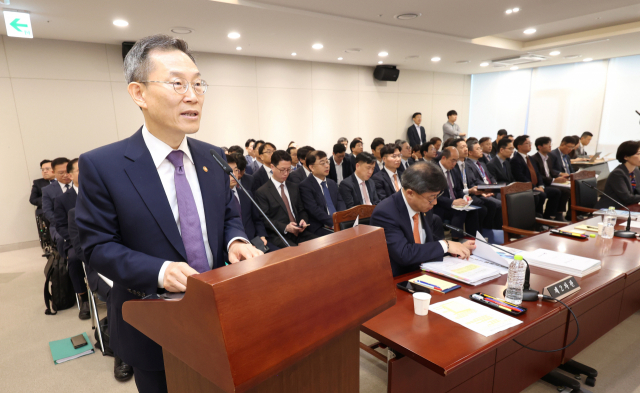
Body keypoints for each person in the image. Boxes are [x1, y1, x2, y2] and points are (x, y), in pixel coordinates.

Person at [75, 35, 262, 393]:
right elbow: (97, 247)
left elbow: (227, 216)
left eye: (198, 84)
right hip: (153, 325)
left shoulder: (212, 156)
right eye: (177, 83)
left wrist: (235, 240)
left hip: (220, 313)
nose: (192, 95)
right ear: (139, 93)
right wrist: (159, 271)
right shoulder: (103, 165)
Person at [371, 162, 476, 277]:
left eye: (437, 196)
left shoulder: (424, 205)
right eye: (431, 198)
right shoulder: (385, 213)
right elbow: (404, 254)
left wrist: (455, 247)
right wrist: (445, 245)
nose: (435, 202)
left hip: (426, 270)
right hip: (401, 278)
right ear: (410, 193)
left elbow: (426, 239)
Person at [254, 150, 318, 247]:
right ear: (272, 167)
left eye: (288, 170)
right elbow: (265, 219)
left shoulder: (294, 187)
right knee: (295, 253)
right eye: (282, 170)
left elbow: (301, 209)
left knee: (319, 245)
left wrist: (303, 220)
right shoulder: (262, 192)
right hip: (280, 234)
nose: (286, 173)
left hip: (299, 231)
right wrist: (286, 227)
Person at [53, 158, 90, 319]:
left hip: (98, 236)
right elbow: (61, 226)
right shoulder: (62, 199)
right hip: (74, 240)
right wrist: (76, 239)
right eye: (79, 170)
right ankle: (83, 298)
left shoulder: (96, 192)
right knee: (74, 259)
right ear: (70, 175)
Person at [226, 154, 274, 251]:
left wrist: (262, 235)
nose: (233, 175)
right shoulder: (217, 199)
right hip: (234, 247)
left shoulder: (246, 194)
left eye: (236, 170)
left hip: (254, 241)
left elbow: (257, 219)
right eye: (229, 172)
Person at [510, 136, 562, 220]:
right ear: (519, 146)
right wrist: (534, 187)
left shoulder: (530, 158)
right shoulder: (515, 160)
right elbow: (520, 177)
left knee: (556, 192)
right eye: (527, 143)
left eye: (530, 143)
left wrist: (541, 185)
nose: (530, 145)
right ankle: (537, 218)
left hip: (537, 187)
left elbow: (538, 174)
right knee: (541, 195)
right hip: (526, 187)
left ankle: (547, 217)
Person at [452, 139, 500, 230]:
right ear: (455, 150)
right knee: (483, 208)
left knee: (491, 205)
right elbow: (456, 189)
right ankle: (474, 236)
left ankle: (487, 232)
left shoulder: (466, 164)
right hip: (462, 195)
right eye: (462, 147)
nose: (465, 149)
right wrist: (473, 191)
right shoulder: (454, 166)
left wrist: (483, 190)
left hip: (471, 193)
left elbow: (474, 181)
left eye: (466, 146)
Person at [299, 151, 346, 235]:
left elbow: (340, 201)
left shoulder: (332, 183)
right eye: (322, 163)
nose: (327, 166)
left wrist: (341, 218)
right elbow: (314, 210)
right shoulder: (305, 185)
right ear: (312, 167)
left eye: (327, 162)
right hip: (320, 225)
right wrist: (334, 222)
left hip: (338, 222)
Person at [531, 137, 572, 220]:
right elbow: (538, 175)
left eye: (550, 144)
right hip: (542, 183)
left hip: (549, 182)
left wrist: (560, 176)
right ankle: (549, 216)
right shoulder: (534, 159)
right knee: (557, 191)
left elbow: (551, 172)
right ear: (539, 147)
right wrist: (554, 180)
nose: (550, 146)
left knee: (567, 190)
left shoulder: (548, 158)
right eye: (548, 144)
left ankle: (557, 213)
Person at [466, 139, 502, 229]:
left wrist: (494, 184)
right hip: (482, 190)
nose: (481, 150)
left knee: (507, 199)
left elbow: (490, 176)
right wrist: (490, 188)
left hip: (490, 188)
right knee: (499, 204)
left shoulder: (482, 163)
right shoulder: (467, 164)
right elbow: (475, 181)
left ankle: (503, 229)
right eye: (478, 149)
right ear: (470, 152)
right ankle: (494, 230)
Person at [595, 141, 640, 209]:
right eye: (639, 153)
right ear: (626, 157)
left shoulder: (635, 170)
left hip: (627, 208)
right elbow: (627, 198)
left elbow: (638, 190)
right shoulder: (617, 174)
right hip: (610, 210)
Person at [42, 157, 72, 244]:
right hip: (59, 225)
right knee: (62, 239)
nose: (65, 175)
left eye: (67, 171)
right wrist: (63, 223)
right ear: (53, 172)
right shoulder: (47, 190)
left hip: (81, 221)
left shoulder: (79, 184)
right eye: (61, 173)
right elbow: (47, 211)